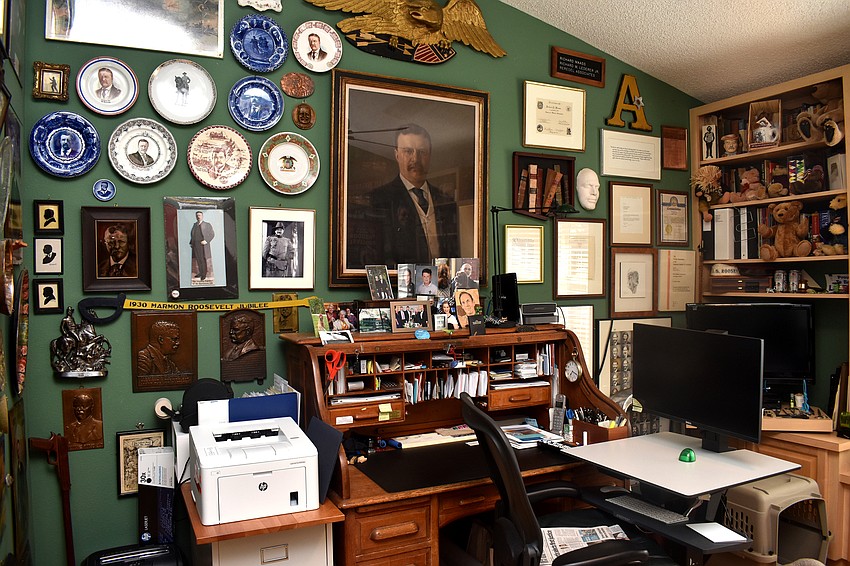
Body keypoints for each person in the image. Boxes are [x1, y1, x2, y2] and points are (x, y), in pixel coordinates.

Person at [370, 123, 459, 264]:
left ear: (429, 155)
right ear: (397, 155)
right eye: (408, 151)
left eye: (422, 152)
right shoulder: (379, 199)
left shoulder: (445, 200)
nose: (415, 159)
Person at [189, 211, 215, 281]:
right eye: (197, 215)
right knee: (198, 259)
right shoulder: (195, 225)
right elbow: (192, 234)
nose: (198, 217)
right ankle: (200, 272)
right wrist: (191, 243)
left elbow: (212, 234)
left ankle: (204, 274)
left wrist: (206, 241)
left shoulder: (207, 224)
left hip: (203, 245)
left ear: (202, 216)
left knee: (203, 259)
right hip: (196, 245)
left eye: (199, 215)